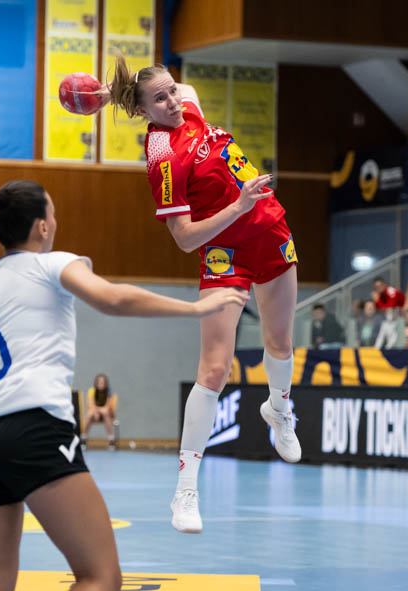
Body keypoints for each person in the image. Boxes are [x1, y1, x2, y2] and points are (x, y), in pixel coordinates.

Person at [0, 181, 247, 590]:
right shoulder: (51, 264)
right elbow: (112, 299)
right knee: (100, 577)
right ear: (42, 226)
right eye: (54, 214)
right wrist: (197, 308)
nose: (56, 222)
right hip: (32, 427)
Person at [102, 56, 301, 534]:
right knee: (214, 369)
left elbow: (182, 91)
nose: (173, 101)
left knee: (280, 343)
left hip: (270, 230)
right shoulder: (162, 157)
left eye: (172, 90)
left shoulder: (187, 106)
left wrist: (114, 93)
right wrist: (239, 206)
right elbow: (185, 238)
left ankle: (278, 410)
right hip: (223, 251)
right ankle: (185, 491)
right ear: (144, 111)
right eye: (160, 99)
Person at [81, 373, 118, 450]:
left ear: (105, 383)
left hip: (106, 415)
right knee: (90, 413)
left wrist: (99, 411)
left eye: (102, 382)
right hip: (94, 414)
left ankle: (111, 440)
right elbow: (91, 405)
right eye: (99, 382)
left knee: (105, 412)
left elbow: (107, 406)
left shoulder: (108, 391)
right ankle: (83, 439)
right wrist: (96, 412)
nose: (101, 384)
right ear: (96, 383)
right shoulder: (92, 391)